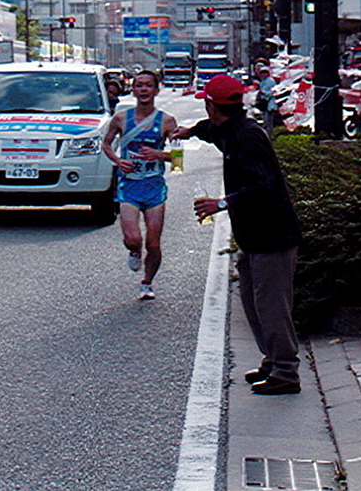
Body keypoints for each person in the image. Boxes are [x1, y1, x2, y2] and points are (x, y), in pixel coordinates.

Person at [172, 74, 302, 395]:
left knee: (271, 305)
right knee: (252, 301)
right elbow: (210, 130)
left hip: (273, 236)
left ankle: (286, 371)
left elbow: (264, 184)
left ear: (212, 106)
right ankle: (272, 360)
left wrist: (222, 202)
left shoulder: (248, 137)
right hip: (253, 236)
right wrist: (190, 131)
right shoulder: (229, 129)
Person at [103, 70, 178, 300]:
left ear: (156, 90)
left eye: (148, 85)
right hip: (129, 186)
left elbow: (179, 159)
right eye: (139, 85)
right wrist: (118, 162)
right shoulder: (120, 119)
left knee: (153, 244)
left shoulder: (167, 121)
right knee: (133, 239)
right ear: (133, 90)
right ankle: (135, 251)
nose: (144, 89)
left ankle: (147, 282)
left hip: (154, 187)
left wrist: (159, 154)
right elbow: (106, 145)